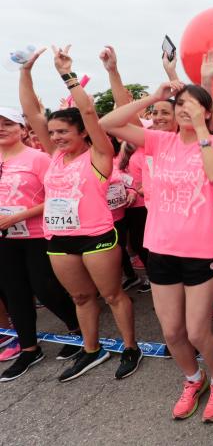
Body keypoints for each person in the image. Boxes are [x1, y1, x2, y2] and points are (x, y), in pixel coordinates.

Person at [100, 80, 213, 423]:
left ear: (207, 111)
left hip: (202, 250)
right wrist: (154, 97)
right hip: (160, 248)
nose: (184, 109)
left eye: (193, 105)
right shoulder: (160, 141)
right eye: (180, 104)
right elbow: (108, 124)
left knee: (197, 331)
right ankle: (194, 379)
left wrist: (202, 126)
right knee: (172, 331)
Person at [18, 46, 140, 382]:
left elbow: (87, 110)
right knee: (81, 296)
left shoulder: (100, 154)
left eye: (63, 132)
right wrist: (25, 72)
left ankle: (130, 347)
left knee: (113, 295)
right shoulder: (54, 156)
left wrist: (68, 76)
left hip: (97, 235)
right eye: (52, 132)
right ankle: (92, 350)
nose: (55, 137)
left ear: (83, 133)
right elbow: (31, 112)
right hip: (59, 237)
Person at [0, 106, 81, 381]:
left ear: (22, 129)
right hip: (5, 239)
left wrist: (21, 215)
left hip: (37, 235)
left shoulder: (39, 159)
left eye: (8, 123)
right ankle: (29, 349)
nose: (1, 128)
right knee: (14, 293)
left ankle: (76, 329)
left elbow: (59, 196)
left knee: (45, 290)